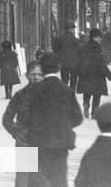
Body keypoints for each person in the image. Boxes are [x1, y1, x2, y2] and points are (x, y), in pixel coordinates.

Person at [25, 52, 84, 187]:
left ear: (42, 68)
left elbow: (27, 117)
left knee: (38, 179)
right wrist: (64, 124)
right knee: (59, 177)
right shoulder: (66, 90)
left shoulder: (35, 90)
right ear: (58, 68)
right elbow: (78, 117)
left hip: (39, 141)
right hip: (61, 141)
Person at [3, 60, 44, 187]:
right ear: (27, 75)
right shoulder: (20, 95)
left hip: (45, 140)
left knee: (42, 175)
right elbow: (7, 118)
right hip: (25, 139)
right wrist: (16, 132)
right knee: (23, 175)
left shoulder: (51, 95)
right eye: (33, 74)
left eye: (39, 74)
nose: (36, 77)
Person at [77, 29, 111, 119]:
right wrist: (110, 76)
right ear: (95, 37)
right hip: (97, 74)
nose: (100, 39)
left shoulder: (83, 47)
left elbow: (78, 61)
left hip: (85, 74)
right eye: (99, 37)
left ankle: (86, 103)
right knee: (97, 94)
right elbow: (101, 64)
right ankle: (94, 112)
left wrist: (79, 72)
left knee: (87, 92)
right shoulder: (98, 48)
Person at [54, 22, 81, 89]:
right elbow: (79, 52)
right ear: (71, 29)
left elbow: (56, 50)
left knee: (64, 80)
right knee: (73, 80)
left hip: (63, 63)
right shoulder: (75, 40)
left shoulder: (60, 39)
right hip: (74, 63)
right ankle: (71, 94)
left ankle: (64, 93)